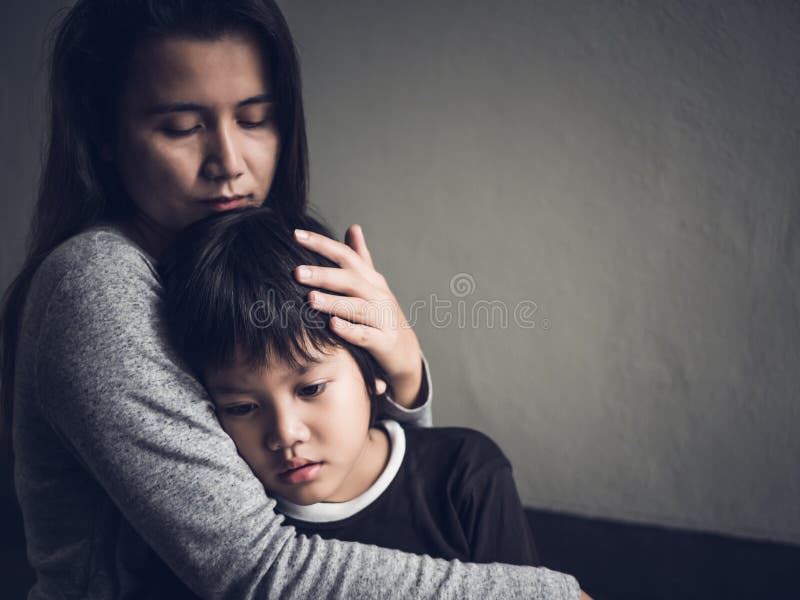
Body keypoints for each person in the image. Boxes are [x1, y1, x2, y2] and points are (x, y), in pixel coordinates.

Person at [0, 0, 590, 597]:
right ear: (104, 133)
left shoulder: (248, 260)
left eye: (255, 119)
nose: (229, 165)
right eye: (182, 128)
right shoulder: (97, 284)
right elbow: (259, 571)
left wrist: (404, 373)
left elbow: (373, 510)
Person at [158, 206, 541, 567]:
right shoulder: (232, 529)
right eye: (241, 408)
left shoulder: (464, 473)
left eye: (310, 389)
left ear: (372, 366)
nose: (285, 434)